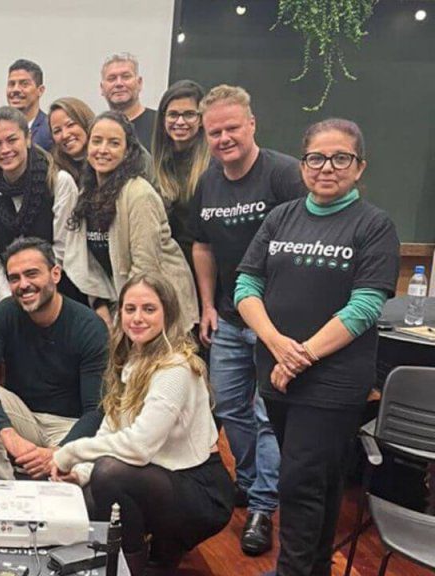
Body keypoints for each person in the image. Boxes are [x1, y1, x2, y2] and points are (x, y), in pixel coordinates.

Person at [235, 119, 399, 576]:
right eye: (316, 158)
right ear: (303, 164)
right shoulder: (280, 217)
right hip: (276, 374)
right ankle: (317, 568)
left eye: (340, 158)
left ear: (359, 166)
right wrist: (276, 344)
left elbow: (365, 306)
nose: (327, 167)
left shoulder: (374, 225)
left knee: (298, 483)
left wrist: (302, 355)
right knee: (319, 482)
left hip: (332, 383)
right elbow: (246, 286)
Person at [188, 84, 306, 556]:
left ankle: (261, 505)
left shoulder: (284, 175)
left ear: (252, 124)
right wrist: (207, 305)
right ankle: (254, 480)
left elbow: (312, 237)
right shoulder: (207, 182)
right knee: (230, 409)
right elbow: (202, 246)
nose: (224, 139)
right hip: (228, 319)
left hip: (276, 325)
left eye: (232, 128)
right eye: (214, 132)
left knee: (264, 414)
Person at [52, 273, 234, 576]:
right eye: (130, 309)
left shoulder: (175, 368)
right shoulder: (132, 359)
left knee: (109, 474)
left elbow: (138, 446)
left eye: (149, 309)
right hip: (160, 476)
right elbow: (111, 427)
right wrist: (80, 472)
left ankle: (134, 565)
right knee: (85, 496)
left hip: (201, 491)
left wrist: (70, 452)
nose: (137, 318)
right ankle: (149, 558)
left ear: (167, 313)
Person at [0, 237, 108, 480]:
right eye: (14, 278)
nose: (23, 285)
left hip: (69, 425)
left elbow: (96, 409)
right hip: (24, 418)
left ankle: (56, 476)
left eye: (32, 274)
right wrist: (7, 433)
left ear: (55, 274)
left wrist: (58, 453)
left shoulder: (89, 326)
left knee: (74, 482)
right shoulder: (2, 315)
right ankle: (0, 483)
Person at [60, 111, 198, 331]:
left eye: (114, 143)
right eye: (97, 141)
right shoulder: (87, 194)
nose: (103, 149)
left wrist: (122, 319)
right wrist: (100, 304)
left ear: (127, 152)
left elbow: (145, 267)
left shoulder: (139, 194)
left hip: (159, 306)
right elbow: (87, 263)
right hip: (123, 305)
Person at [0, 106, 80, 303]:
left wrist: (34, 289)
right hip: (8, 295)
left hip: (57, 293)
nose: (5, 150)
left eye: (12, 140)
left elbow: (64, 248)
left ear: (28, 139)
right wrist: (9, 296)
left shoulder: (58, 182)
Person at [151, 80, 211, 274]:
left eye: (189, 114)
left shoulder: (214, 166)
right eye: (173, 114)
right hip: (169, 269)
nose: (180, 122)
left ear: (201, 119)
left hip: (206, 270)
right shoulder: (156, 165)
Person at [99, 53, 156, 148]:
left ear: (139, 83)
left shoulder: (160, 124)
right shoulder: (97, 129)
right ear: (102, 88)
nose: (119, 83)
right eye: (112, 79)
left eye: (126, 77)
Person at [6, 59, 53, 152]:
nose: (15, 89)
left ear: (40, 90)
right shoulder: (1, 130)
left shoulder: (50, 129)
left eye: (24, 84)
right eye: (11, 84)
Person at [48, 97, 97, 184]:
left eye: (70, 125)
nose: (65, 135)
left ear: (85, 122)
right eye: (57, 131)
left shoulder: (104, 161)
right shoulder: (52, 172)